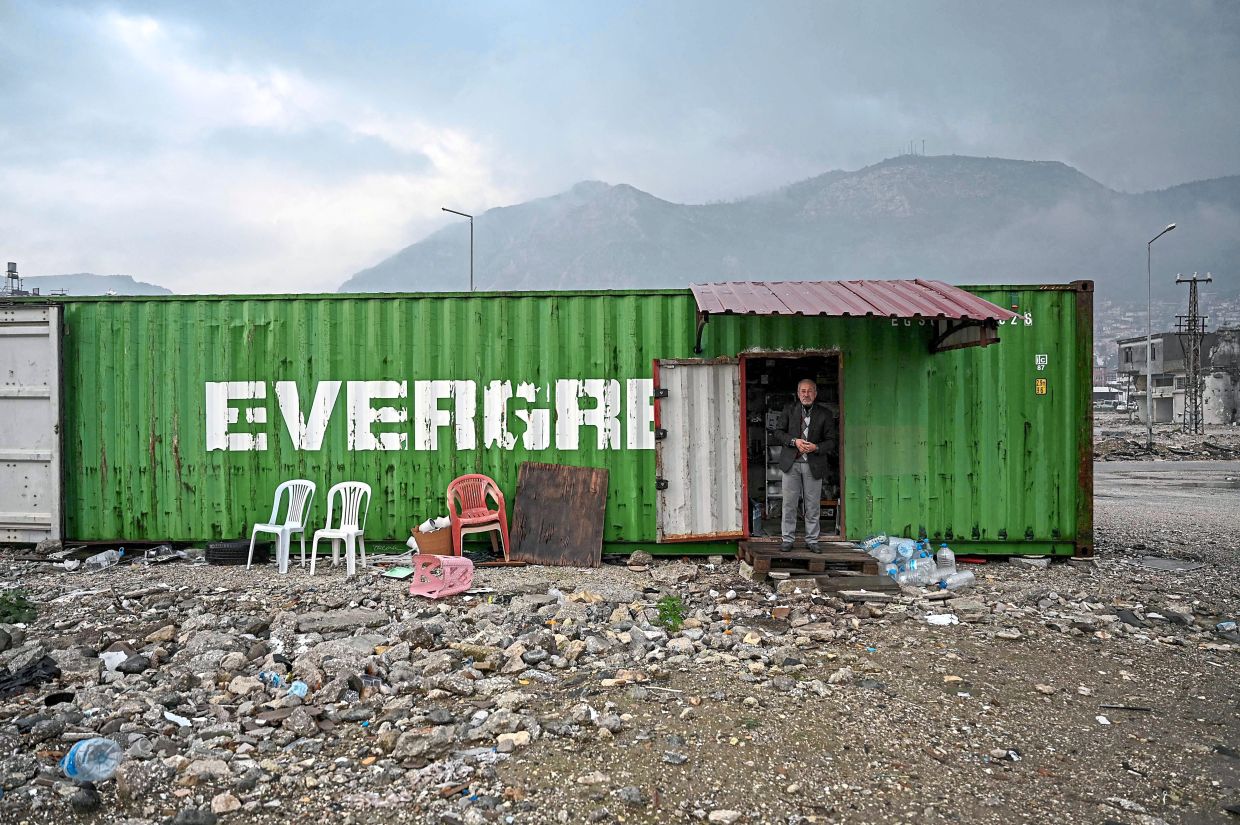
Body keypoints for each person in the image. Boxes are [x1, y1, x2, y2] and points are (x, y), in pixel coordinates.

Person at [772, 378, 837, 552]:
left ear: (815, 394)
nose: (806, 394)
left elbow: (832, 441)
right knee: (789, 503)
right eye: (803, 391)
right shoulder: (789, 409)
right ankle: (787, 538)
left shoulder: (825, 414)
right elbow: (777, 432)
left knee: (812, 504)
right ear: (798, 393)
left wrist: (817, 447)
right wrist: (794, 441)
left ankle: (812, 540)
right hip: (791, 463)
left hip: (813, 464)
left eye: (809, 391)